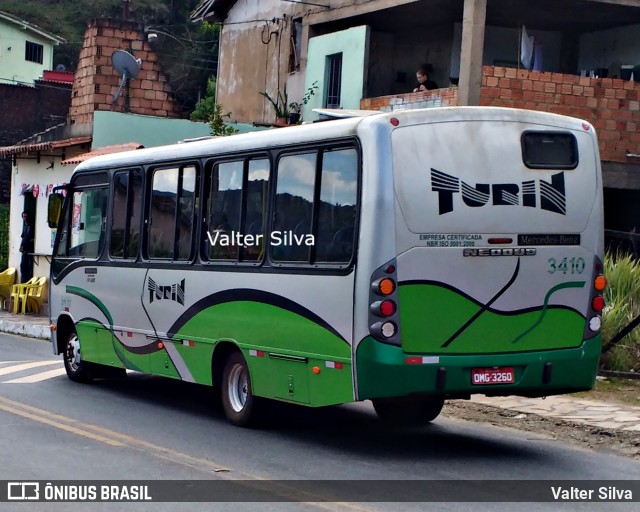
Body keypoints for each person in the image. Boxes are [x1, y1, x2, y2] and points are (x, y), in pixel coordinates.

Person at [19, 211, 34, 283]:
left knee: (30, 266)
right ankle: (23, 281)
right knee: (23, 266)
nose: (25, 218)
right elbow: (23, 237)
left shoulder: (32, 226)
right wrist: (21, 246)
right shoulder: (25, 226)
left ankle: (28, 281)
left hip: (30, 249)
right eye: (24, 217)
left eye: (26, 216)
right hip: (24, 249)